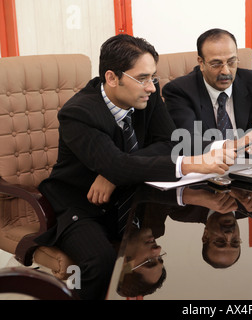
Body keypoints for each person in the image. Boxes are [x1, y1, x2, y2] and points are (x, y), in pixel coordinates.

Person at [35, 34, 236, 300]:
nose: (152, 87)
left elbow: (171, 143)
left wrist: (115, 171)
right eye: (142, 78)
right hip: (79, 203)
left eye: (153, 77)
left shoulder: (147, 97)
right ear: (111, 78)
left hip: (129, 193)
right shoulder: (79, 113)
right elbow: (148, 159)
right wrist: (188, 164)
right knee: (100, 261)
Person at [162, 28, 252, 158]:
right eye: (216, 64)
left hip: (250, 169)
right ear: (201, 63)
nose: (226, 71)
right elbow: (187, 144)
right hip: (206, 173)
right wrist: (234, 144)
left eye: (231, 62)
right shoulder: (180, 91)